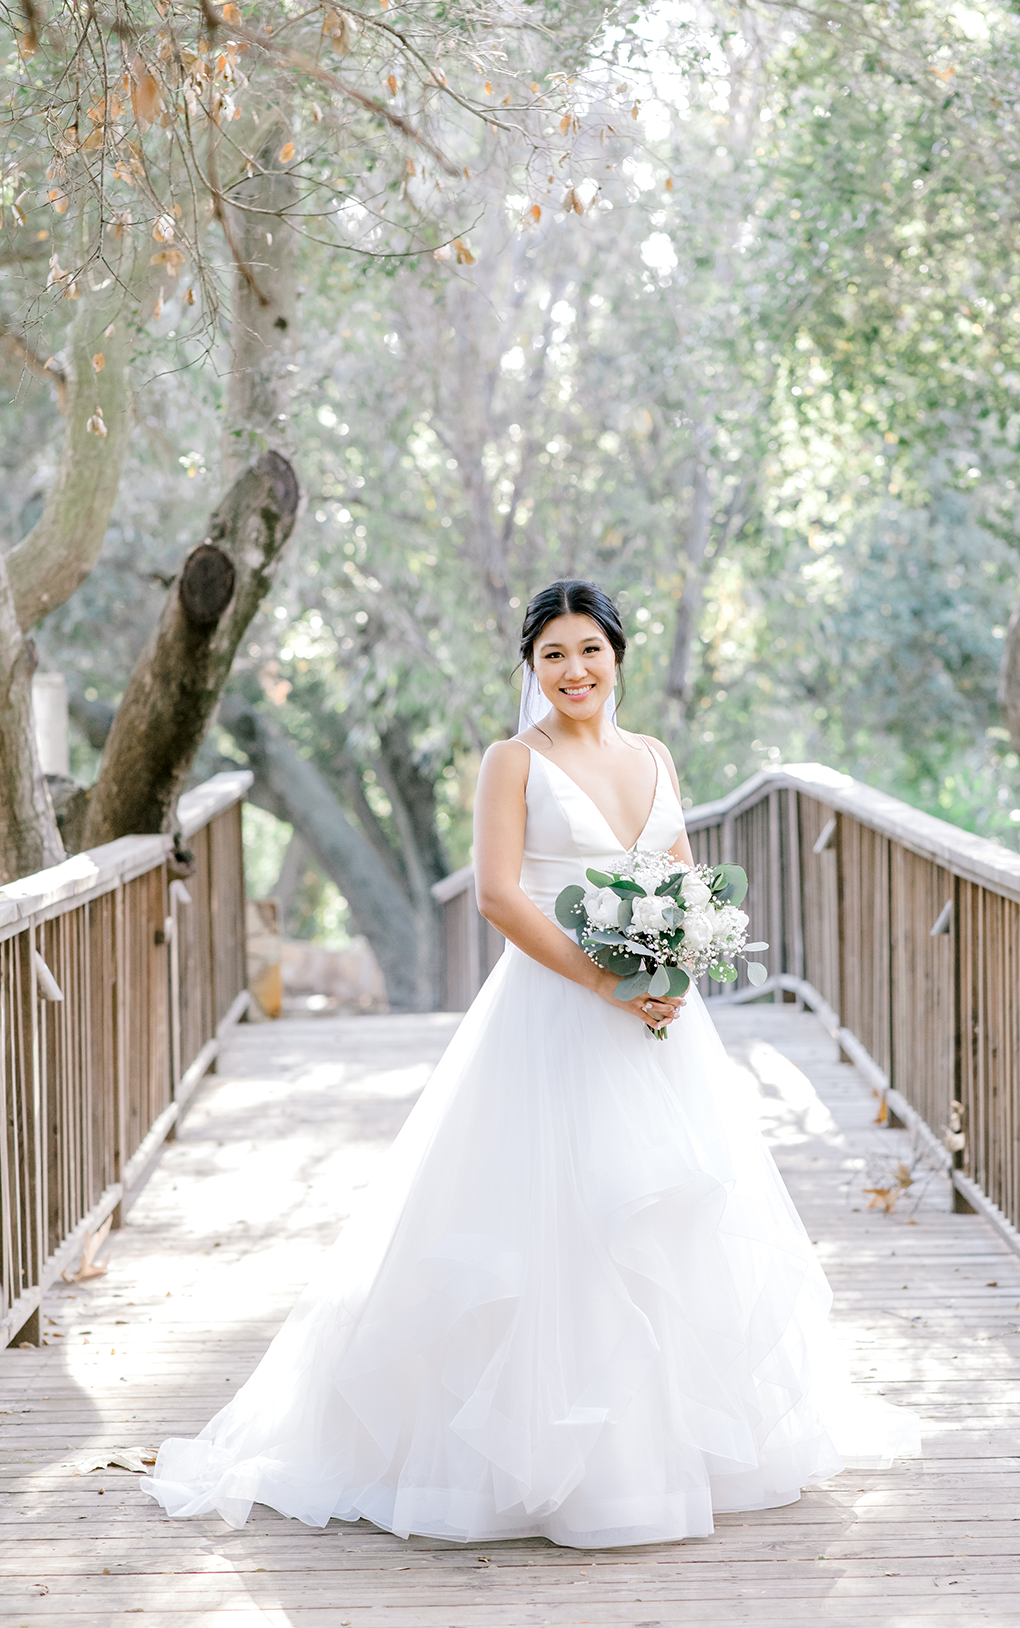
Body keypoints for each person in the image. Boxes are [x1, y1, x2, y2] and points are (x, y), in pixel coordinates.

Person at [141, 578, 919, 1548]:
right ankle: (538, 1473)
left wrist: (671, 958)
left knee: (659, 1218)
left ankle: (666, 1453)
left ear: (618, 657)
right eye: (553, 654)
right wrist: (602, 980)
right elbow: (502, 899)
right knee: (548, 1223)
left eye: (589, 649)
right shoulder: (514, 762)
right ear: (531, 668)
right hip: (553, 1010)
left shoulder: (653, 757)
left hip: (656, 1020)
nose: (574, 671)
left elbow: (677, 876)